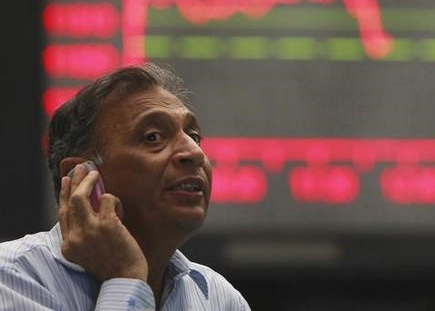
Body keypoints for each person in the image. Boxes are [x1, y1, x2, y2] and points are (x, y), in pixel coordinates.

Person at [0, 63, 251, 310]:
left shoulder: (219, 298)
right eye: (153, 137)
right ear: (82, 175)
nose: (194, 152)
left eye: (194, 136)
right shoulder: (12, 277)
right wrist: (126, 279)